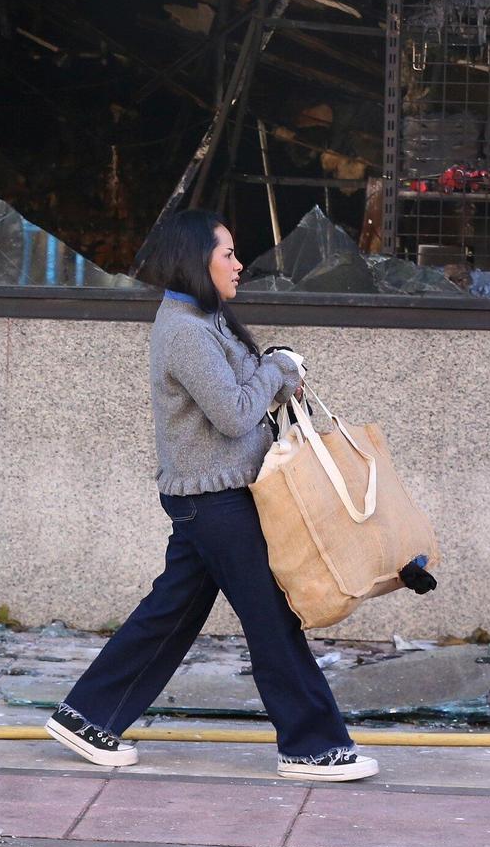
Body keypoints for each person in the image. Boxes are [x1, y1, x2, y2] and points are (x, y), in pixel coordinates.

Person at [44, 209, 378, 782]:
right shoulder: (185, 331)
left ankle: (87, 716)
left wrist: (276, 375)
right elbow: (233, 414)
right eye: (227, 253)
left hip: (216, 497)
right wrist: (275, 369)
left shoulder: (207, 320)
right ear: (195, 258)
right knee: (273, 619)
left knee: (170, 614)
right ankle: (312, 746)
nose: (238, 263)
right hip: (215, 501)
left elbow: (245, 403)